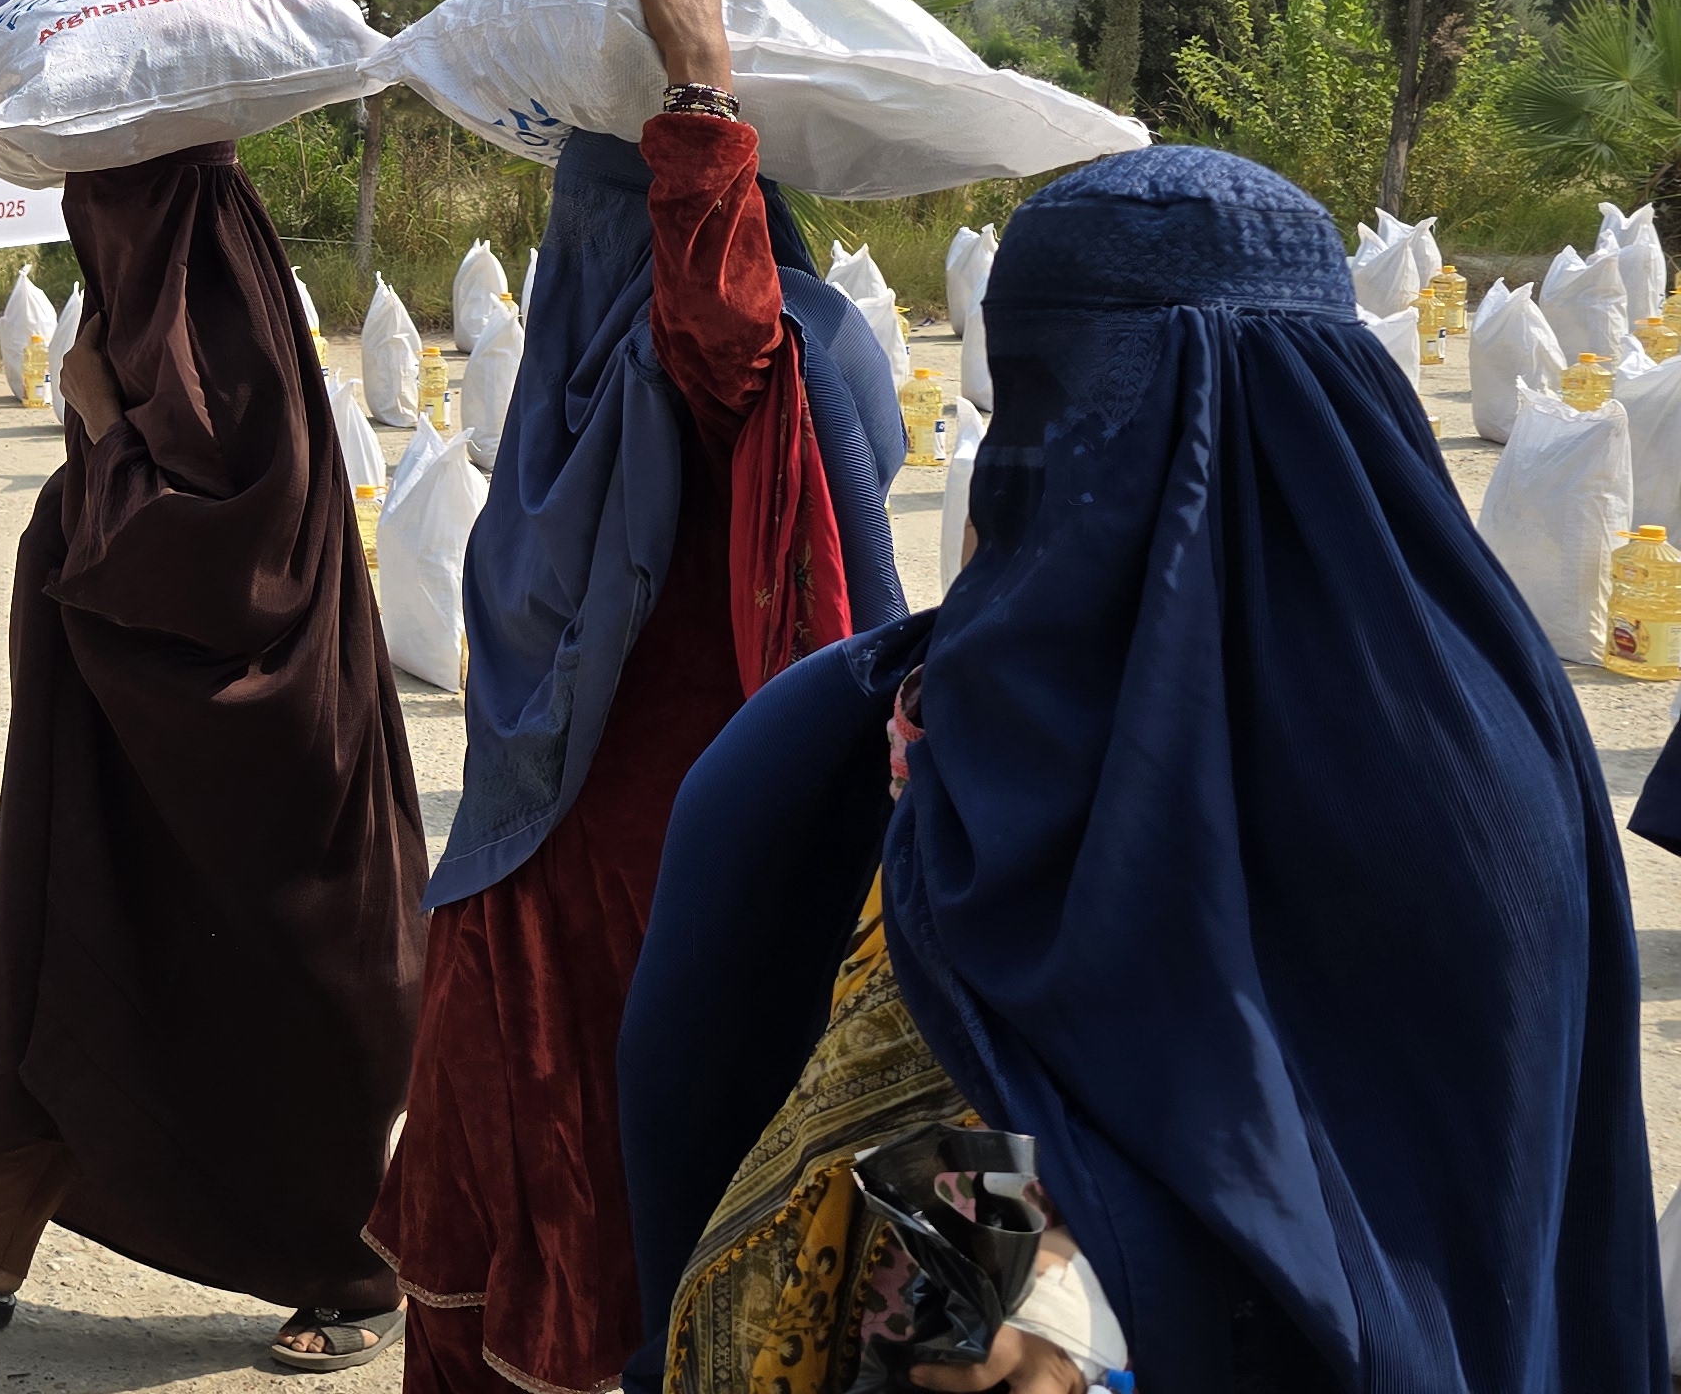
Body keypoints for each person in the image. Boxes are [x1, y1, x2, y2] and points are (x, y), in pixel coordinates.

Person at [617, 145, 1661, 1391]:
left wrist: (1049, 1287)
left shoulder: (868, 745)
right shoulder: (1492, 744)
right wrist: (1003, 1277)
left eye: (1038, 408)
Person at [365, 0, 907, 1394]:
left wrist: (700, 93)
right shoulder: (599, 405)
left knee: (632, 1198)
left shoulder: (751, 359)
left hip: (655, 863)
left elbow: (723, 337)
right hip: (563, 855)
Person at [0, 134, 432, 1373]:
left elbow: (219, 564)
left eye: (102, 224)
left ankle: (348, 1266)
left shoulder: (217, 334)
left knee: (282, 990)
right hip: (129, 743)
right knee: (71, 951)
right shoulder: (165, 311)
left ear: (157, 233)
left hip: (249, 756)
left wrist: (99, 419)